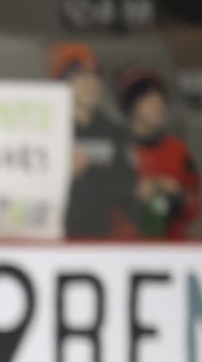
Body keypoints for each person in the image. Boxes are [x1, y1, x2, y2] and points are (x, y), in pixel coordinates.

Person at [53, 42, 141, 240]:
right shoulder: (47, 132)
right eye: (81, 76)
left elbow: (129, 184)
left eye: (95, 75)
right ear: (62, 83)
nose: (91, 83)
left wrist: (90, 169)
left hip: (102, 242)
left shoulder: (115, 133)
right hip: (55, 241)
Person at [118, 66, 202, 240]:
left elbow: (196, 204)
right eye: (147, 98)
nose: (157, 103)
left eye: (159, 97)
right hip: (126, 253)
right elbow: (100, 205)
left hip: (173, 250)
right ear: (132, 106)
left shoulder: (178, 149)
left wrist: (178, 195)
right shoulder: (117, 151)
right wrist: (133, 194)